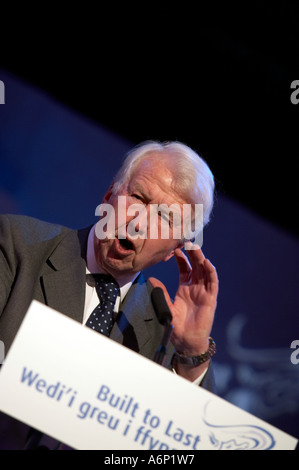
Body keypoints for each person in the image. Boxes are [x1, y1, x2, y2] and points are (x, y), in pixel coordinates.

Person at [0, 140, 219, 449]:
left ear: (174, 250)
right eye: (138, 197)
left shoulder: (164, 333)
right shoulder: (15, 244)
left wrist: (192, 355)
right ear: (109, 196)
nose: (139, 224)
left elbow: (184, 447)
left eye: (165, 219)